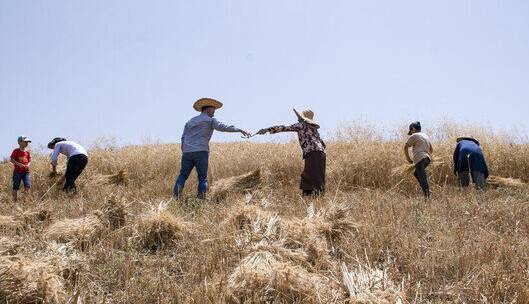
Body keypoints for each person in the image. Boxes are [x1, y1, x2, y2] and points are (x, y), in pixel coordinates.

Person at [173, 98, 250, 199]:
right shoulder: (210, 120)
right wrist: (239, 129)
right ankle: (200, 201)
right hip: (201, 152)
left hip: (187, 152)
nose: (214, 111)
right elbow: (223, 127)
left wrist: (185, 150)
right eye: (213, 109)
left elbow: (183, 138)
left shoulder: (190, 121)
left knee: (182, 176)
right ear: (207, 109)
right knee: (202, 178)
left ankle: (175, 198)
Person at [256, 109, 326, 197]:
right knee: (318, 175)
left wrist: (266, 129)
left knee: (309, 175)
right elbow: (322, 143)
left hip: (312, 153)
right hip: (321, 153)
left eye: (299, 117)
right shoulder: (314, 129)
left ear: (303, 119)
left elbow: (284, 128)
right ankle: (317, 197)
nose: (298, 119)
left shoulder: (301, 125)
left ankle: (307, 197)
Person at [404, 121, 433, 198]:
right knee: (416, 173)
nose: (411, 132)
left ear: (413, 128)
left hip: (419, 158)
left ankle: (427, 194)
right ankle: (427, 190)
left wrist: (408, 159)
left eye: (411, 130)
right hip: (427, 158)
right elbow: (431, 149)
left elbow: (405, 147)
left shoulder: (414, 136)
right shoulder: (426, 136)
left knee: (422, 177)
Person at [10, 136, 32, 202]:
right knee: (16, 187)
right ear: (20, 142)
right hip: (17, 172)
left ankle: (26, 201)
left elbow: (29, 161)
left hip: (26, 172)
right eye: (25, 142)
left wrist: (28, 165)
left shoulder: (27, 152)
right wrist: (19, 164)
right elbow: (12, 159)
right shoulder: (16, 151)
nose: (27, 143)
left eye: (27, 142)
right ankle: (14, 202)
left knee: (27, 186)